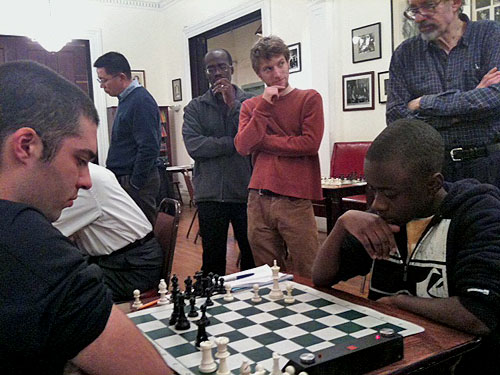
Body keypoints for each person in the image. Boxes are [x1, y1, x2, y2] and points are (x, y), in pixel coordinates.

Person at [0, 61, 172, 374]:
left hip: (132, 262)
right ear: (26, 146)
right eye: (79, 160)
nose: (86, 180)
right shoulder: (28, 243)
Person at [312, 119, 499, 374]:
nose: (377, 204)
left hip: (457, 363)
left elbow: (481, 315)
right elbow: (322, 277)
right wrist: (341, 224)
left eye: (389, 194)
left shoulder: (479, 215)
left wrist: (399, 302)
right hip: (393, 357)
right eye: (372, 189)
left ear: (433, 184)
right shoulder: (387, 217)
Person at [235, 36, 324, 278]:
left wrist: (263, 142)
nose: (277, 73)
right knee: (268, 274)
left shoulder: (309, 98)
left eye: (281, 63)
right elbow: (243, 146)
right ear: (259, 74)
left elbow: (309, 143)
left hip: (294, 198)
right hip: (258, 198)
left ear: (288, 63)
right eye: (268, 68)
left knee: (308, 269)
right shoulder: (251, 106)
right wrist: (263, 106)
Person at [386, 0, 500, 188]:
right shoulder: (405, 54)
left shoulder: (491, 35)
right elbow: (396, 118)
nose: (419, 17)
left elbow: (495, 98)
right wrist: (471, 103)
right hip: (433, 171)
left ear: (455, 3)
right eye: (414, 10)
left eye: (429, 6)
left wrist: (424, 103)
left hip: (489, 166)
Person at [182, 49, 255, 276]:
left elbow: (251, 139)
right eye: (211, 68)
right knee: (212, 261)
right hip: (210, 194)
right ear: (205, 73)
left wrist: (232, 104)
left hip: (244, 191)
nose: (217, 72)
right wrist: (233, 143)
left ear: (231, 69)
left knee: (251, 257)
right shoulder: (195, 107)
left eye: (222, 66)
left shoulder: (250, 103)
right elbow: (195, 146)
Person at [53, 162, 164, 302]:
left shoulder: (82, 182)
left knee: (61, 293)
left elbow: (46, 232)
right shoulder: (91, 171)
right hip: (127, 259)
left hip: (131, 267)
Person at [94, 51, 161, 225]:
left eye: (104, 80)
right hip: (126, 178)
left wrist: (135, 184)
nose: (102, 86)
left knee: (143, 234)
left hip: (136, 181)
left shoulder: (140, 101)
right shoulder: (127, 100)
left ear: (121, 77)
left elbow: (149, 147)